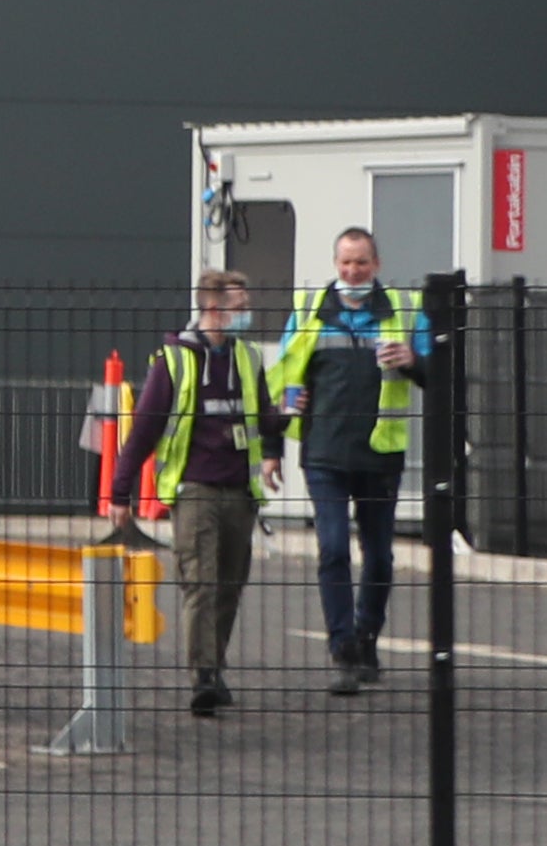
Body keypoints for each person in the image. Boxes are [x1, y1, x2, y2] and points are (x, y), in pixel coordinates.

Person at [272, 226, 430, 696]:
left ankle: (367, 636)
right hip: (324, 452)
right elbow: (284, 374)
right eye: (344, 262)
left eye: (360, 262)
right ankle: (342, 648)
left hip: (380, 451)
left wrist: (412, 361)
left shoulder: (404, 310)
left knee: (379, 555)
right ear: (335, 264)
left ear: (376, 265)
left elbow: (441, 372)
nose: (352, 271)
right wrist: (286, 409)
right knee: (334, 549)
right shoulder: (309, 310)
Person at [122, 266, 284, 719]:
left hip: (239, 490)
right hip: (194, 489)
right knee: (201, 583)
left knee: (230, 585)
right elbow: (144, 428)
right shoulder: (175, 360)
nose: (246, 314)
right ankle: (203, 676)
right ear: (213, 309)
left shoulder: (247, 359)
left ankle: (215, 664)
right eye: (240, 306)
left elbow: (264, 414)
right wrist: (121, 490)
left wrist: (283, 423)